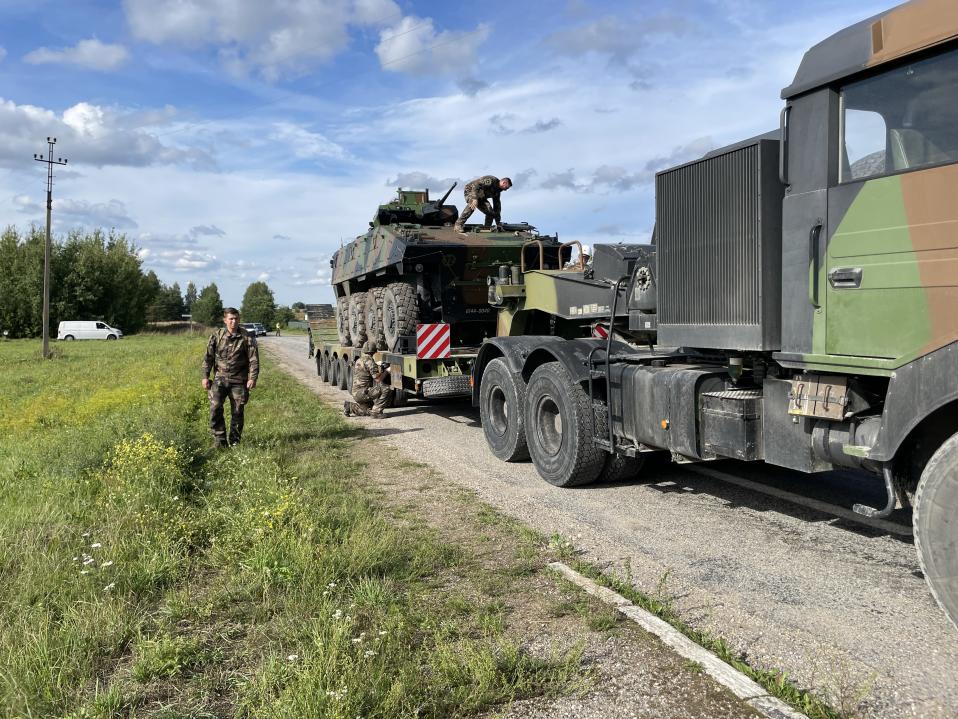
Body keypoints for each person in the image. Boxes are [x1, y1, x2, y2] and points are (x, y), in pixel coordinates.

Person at [202, 307, 259, 447]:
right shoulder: (217, 336)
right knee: (215, 408)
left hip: (239, 381)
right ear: (225, 320)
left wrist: (252, 378)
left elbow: (254, 360)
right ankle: (220, 441)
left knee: (238, 412)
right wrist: (205, 376)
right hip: (219, 379)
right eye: (231, 319)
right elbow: (208, 357)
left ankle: (235, 442)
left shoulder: (247, 337)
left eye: (236, 318)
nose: (234, 321)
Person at [343, 341, 393, 418]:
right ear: (374, 351)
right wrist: (386, 371)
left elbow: (367, 368)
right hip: (363, 392)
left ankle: (349, 406)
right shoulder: (370, 361)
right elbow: (378, 379)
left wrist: (377, 365)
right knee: (386, 388)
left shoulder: (359, 360)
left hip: (356, 393)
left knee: (368, 410)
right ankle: (376, 413)